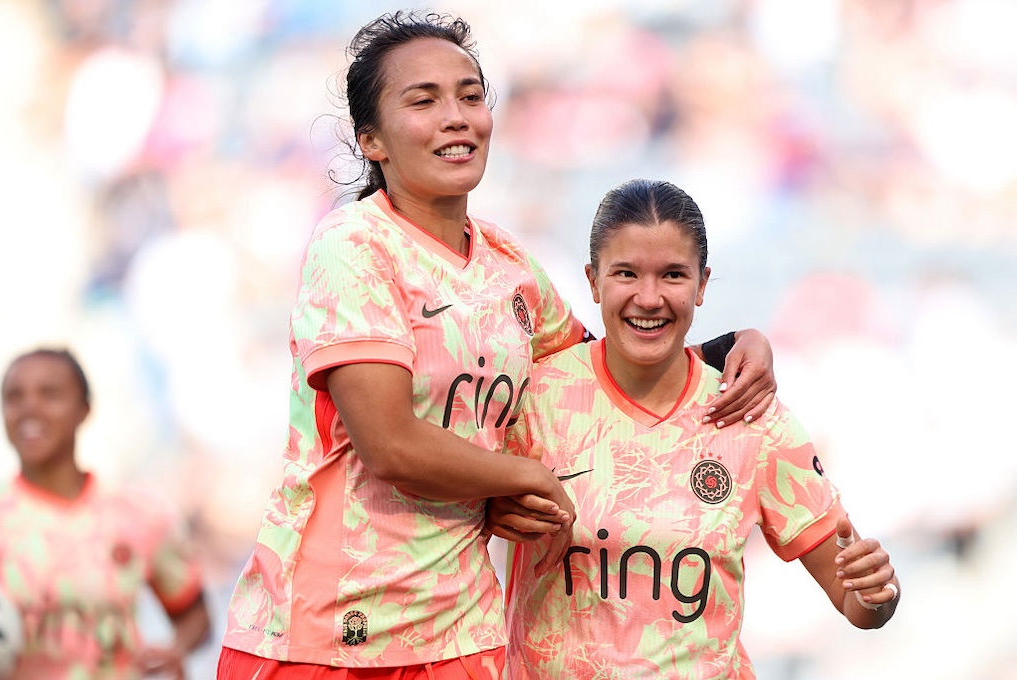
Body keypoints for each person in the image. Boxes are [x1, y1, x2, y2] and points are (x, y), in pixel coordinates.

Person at [217, 11, 777, 679]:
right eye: (423, 100)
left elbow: (604, 379)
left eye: (470, 94)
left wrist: (732, 347)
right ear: (372, 140)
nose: (457, 116)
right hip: (323, 631)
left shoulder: (510, 266)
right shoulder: (354, 247)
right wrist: (521, 476)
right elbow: (389, 443)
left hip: (461, 638)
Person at [490, 179, 901, 679]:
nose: (649, 297)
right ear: (593, 281)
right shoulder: (534, 399)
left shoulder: (751, 415)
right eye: (626, 273)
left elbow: (858, 603)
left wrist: (876, 592)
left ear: (703, 284)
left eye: (673, 275)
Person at [0, 348, 211, 679]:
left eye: (49, 394)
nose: (30, 408)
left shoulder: (140, 513)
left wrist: (176, 648)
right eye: (14, 396)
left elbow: (194, 614)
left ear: (84, 410)